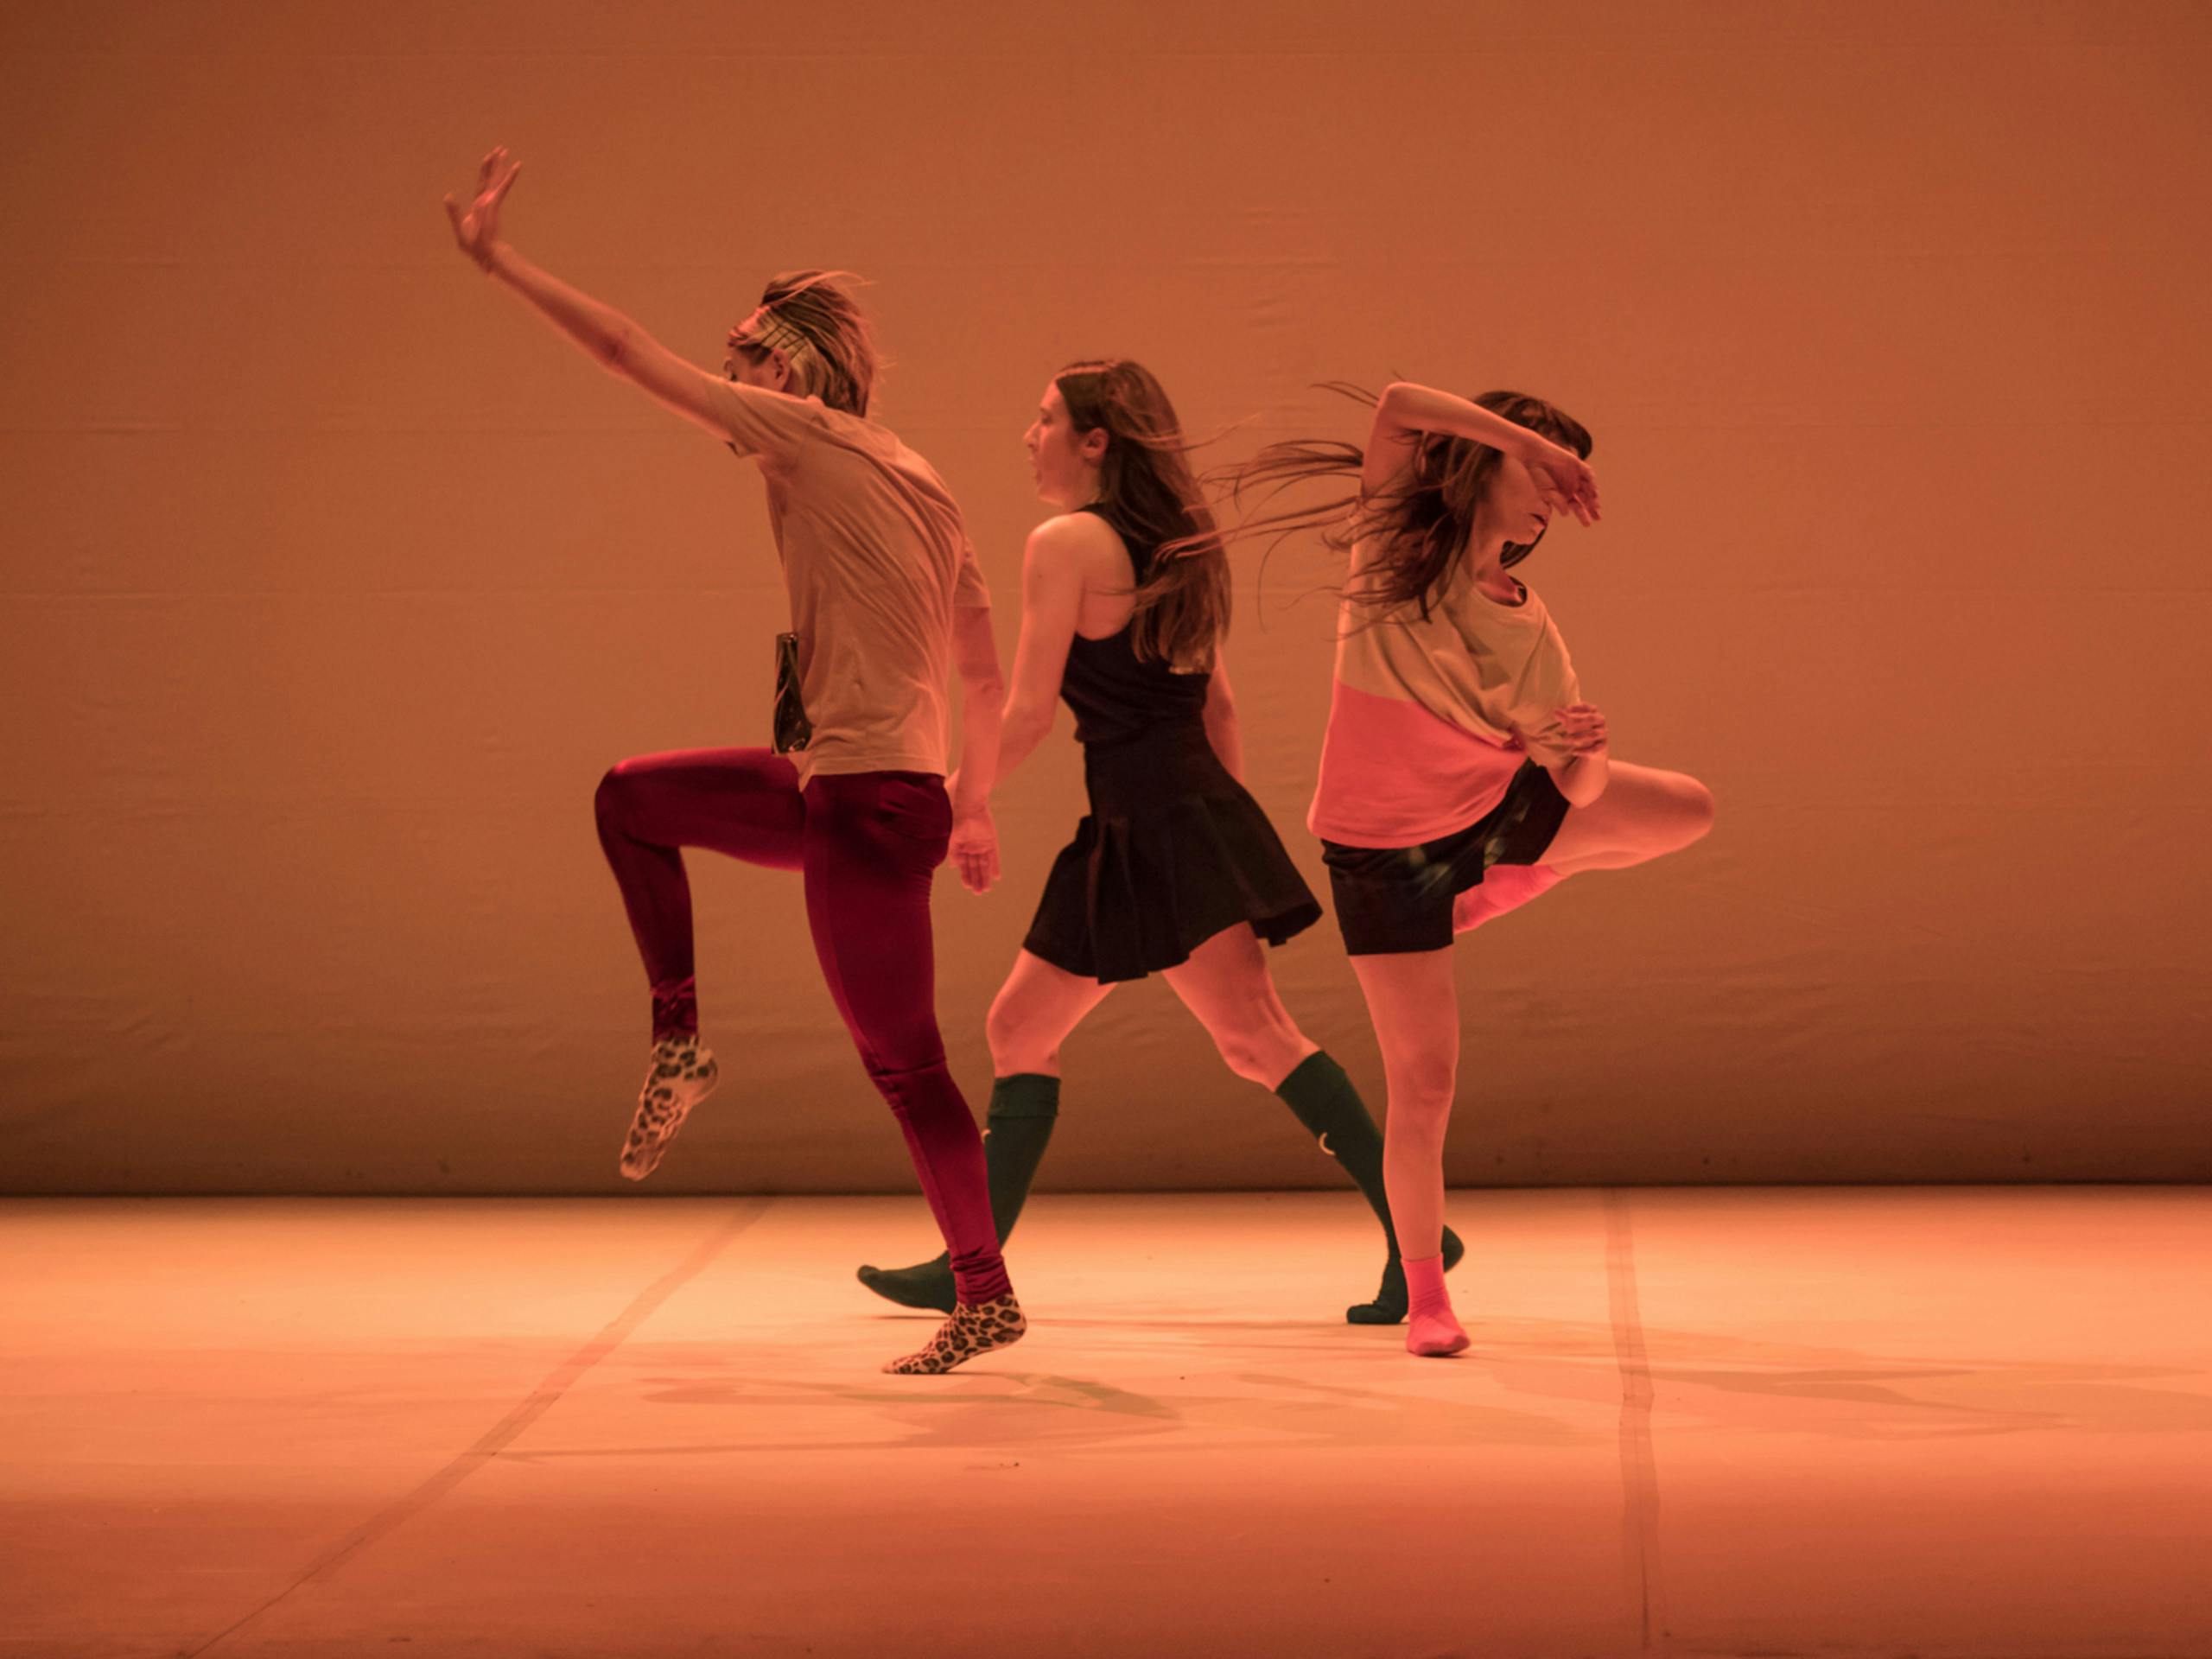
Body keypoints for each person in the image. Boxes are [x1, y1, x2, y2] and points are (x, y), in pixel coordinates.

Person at [444, 149, 1020, 1376]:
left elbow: (622, 351)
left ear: (790, 374)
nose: (728, 380)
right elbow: (985, 673)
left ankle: (985, 1294)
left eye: (742, 358)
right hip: (862, 791)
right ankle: (680, 1042)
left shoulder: (800, 433)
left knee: (906, 1066)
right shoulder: (924, 479)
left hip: (864, 805)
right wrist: (972, 805)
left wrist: (500, 264)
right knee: (632, 799)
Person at [855, 359, 1464, 1325]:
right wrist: (1220, 830)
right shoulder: (1181, 545)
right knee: (1041, 1030)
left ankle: (1414, 1233)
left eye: (1046, 419)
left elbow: (1028, 711)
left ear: (1096, 441)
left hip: (1155, 825)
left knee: (1246, 1037)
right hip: (1163, 820)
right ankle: (971, 1263)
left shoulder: (1066, 543)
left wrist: (963, 800)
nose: (1029, 436)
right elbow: (1219, 709)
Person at [1223, 380, 1713, 1356]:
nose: (1552, 498)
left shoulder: (1529, 621)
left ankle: (1503, 883)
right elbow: (1399, 405)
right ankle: (1427, 1299)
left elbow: (1580, 791)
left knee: (1688, 809)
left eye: (1561, 482)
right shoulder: (1391, 555)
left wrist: (1588, 752)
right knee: (1426, 1082)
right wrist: (1537, 443)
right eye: (1541, 473)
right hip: (1384, 855)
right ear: (1483, 459)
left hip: (1492, 811)